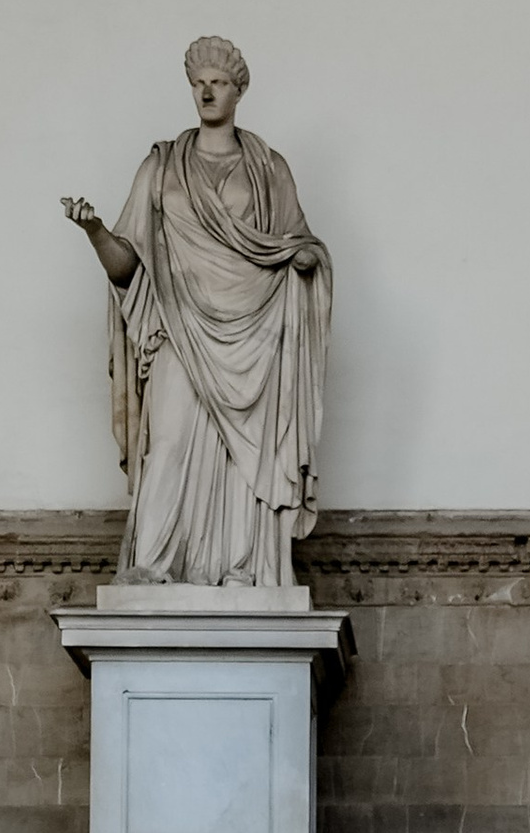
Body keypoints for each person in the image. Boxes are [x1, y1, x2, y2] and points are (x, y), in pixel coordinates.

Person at [63, 35, 331, 589]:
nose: (207, 91)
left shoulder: (268, 168)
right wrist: (94, 231)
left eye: (219, 83)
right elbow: (125, 266)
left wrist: (303, 259)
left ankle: (243, 569)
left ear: (239, 92)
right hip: (180, 328)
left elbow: (297, 244)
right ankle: (152, 566)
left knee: (245, 457)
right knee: (169, 441)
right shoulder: (161, 168)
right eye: (198, 83)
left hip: (253, 333)